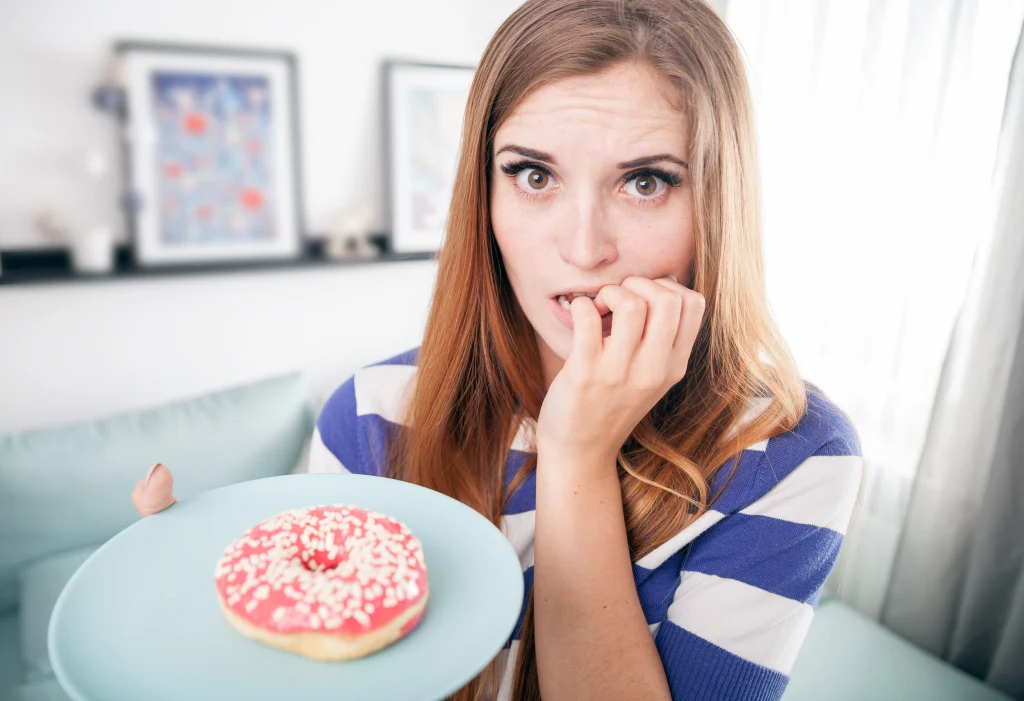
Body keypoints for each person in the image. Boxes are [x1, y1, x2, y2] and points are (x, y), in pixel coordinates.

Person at [132, 0, 863, 699]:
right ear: (483, 195)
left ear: (715, 201)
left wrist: (576, 455)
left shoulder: (794, 455)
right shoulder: (371, 412)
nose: (584, 250)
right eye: (534, 175)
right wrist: (192, 613)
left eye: (645, 181)